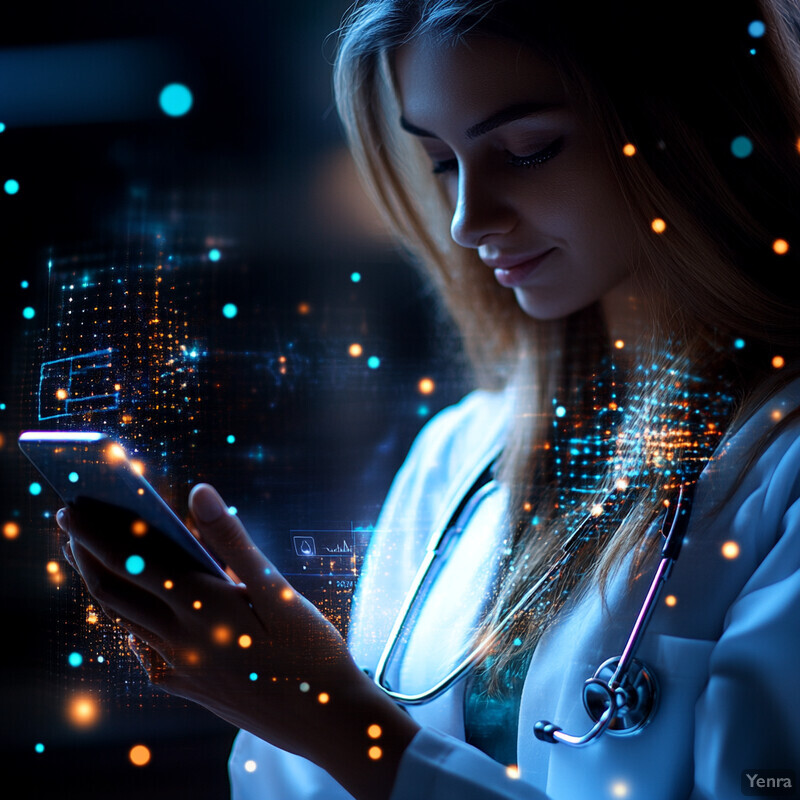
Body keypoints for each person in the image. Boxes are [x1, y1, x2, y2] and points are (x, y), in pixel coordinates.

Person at [55, 0, 800, 797]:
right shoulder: (460, 454)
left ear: (687, 127)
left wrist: (335, 719)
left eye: (528, 150)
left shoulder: (781, 471)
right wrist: (278, 691)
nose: (467, 222)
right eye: (444, 162)